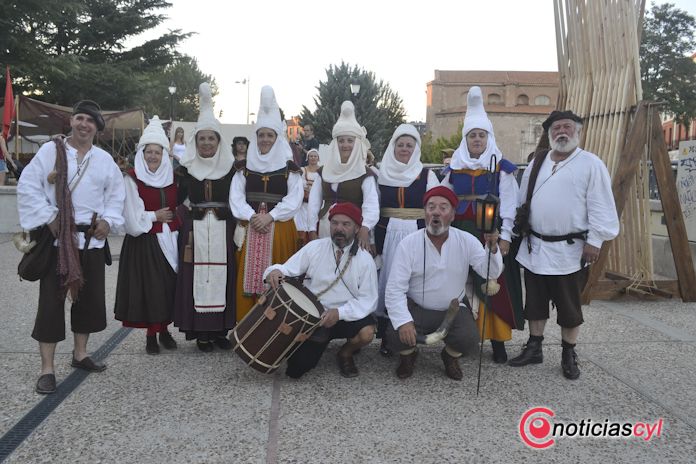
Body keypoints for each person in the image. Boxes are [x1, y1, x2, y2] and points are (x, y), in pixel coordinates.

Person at [17, 100, 125, 394]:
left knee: (87, 301)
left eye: (90, 121)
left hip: (90, 239)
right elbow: (28, 185)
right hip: (56, 240)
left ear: (97, 128)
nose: (83, 124)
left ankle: (80, 354)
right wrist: (49, 216)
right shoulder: (51, 151)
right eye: (79, 118)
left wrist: (109, 220)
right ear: (71, 122)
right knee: (51, 304)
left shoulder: (104, 160)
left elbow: (116, 195)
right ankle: (47, 368)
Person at [509, 110, 619, 380]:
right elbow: (522, 201)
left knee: (569, 306)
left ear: (578, 132)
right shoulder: (537, 162)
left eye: (568, 127)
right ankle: (534, 347)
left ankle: (568, 353)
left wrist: (595, 241)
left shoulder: (591, 164)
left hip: (570, 250)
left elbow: (601, 205)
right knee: (534, 302)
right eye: (557, 127)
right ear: (549, 134)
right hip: (535, 246)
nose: (562, 132)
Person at [385, 187, 502, 380]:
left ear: (453, 215)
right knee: (395, 334)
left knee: (469, 339)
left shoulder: (466, 240)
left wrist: (492, 247)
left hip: (452, 309)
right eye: (431, 207)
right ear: (425, 213)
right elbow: (395, 289)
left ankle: (449, 357)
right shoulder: (409, 243)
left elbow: (490, 272)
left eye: (443, 207)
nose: (436, 212)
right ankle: (408, 356)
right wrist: (404, 322)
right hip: (417, 308)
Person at [441, 86, 522, 364]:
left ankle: (497, 340)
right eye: (472, 135)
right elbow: (443, 199)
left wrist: (506, 236)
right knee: (457, 282)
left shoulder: (502, 168)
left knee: (491, 283)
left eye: (481, 135)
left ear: (489, 137)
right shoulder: (453, 169)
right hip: (459, 232)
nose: (477, 139)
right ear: (466, 139)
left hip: (490, 232)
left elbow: (510, 205)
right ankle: (461, 336)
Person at [264, 202, 378, 378]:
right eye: (335, 223)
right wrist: (276, 271)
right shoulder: (315, 247)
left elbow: (368, 300)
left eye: (346, 224)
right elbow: (288, 268)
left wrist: (339, 313)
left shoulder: (365, 260)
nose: (339, 228)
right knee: (295, 370)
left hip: (346, 316)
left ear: (356, 228)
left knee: (367, 333)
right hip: (315, 318)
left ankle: (346, 353)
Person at [230, 86, 303, 322]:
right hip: (251, 226)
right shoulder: (244, 168)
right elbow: (236, 196)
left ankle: (276, 327)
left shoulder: (289, 169)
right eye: (261, 135)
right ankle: (246, 326)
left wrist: (270, 216)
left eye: (270, 135)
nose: (265, 140)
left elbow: (294, 199)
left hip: (279, 227)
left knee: (280, 277)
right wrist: (252, 216)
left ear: (277, 138)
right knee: (245, 278)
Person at [173, 83, 237, 352]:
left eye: (212, 138)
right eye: (202, 139)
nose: (207, 143)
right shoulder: (185, 169)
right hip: (195, 229)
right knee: (196, 277)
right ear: (195, 141)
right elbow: (174, 198)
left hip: (224, 228)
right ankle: (200, 330)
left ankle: (221, 329)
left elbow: (239, 199)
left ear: (219, 141)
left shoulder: (232, 169)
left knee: (224, 276)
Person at [115, 116, 179, 355]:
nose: (153, 156)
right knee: (150, 289)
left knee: (167, 287)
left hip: (170, 240)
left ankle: (164, 330)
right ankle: (152, 335)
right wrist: (154, 216)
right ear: (141, 153)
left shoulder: (173, 178)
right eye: (148, 152)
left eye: (157, 152)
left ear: (164, 154)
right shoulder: (132, 178)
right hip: (145, 241)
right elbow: (131, 216)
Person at [374, 124, 439, 356]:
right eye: (400, 145)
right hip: (388, 233)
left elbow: (436, 208)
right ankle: (387, 336)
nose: (404, 149)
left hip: (416, 232)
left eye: (409, 145)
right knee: (390, 281)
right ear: (393, 147)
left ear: (416, 148)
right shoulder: (380, 174)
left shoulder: (428, 175)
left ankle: (413, 332)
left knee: (414, 281)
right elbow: (375, 207)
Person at [307, 101, 378, 251]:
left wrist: (365, 229)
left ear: (357, 143)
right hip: (326, 229)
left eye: (350, 140)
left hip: (354, 230)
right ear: (335, 143)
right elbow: (313, 204)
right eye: (341, 140)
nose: (345, 145)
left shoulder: (366, 174)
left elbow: (371, 205)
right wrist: (311, 230)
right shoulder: (323, 172)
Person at [295, 148, 321, 246]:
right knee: (301, 225)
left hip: (316, 204)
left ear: (318, 158)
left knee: (314, 222)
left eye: (315, 156)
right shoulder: (303, 170)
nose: (313, 158)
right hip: (304, 204)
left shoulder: (322, 170)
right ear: (308, 158)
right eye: (311, 156)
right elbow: (298, 184)